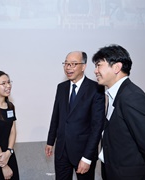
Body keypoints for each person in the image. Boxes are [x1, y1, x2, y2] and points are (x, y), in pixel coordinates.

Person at [92, 44, 145, 180]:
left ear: (116, 67)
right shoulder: (115, 94)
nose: (95, 71)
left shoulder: (132, 97)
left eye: (99, 65)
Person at [45, 51, 105, 180]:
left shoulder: (96, 89)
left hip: (83, 151)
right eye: (66, 64)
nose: (68, 67)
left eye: (73, 64)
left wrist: (87, 157)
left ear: (83, 66)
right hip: (62, 150)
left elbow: (97, 126)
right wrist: (50, 141)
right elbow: (56, 115)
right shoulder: (61, 87)